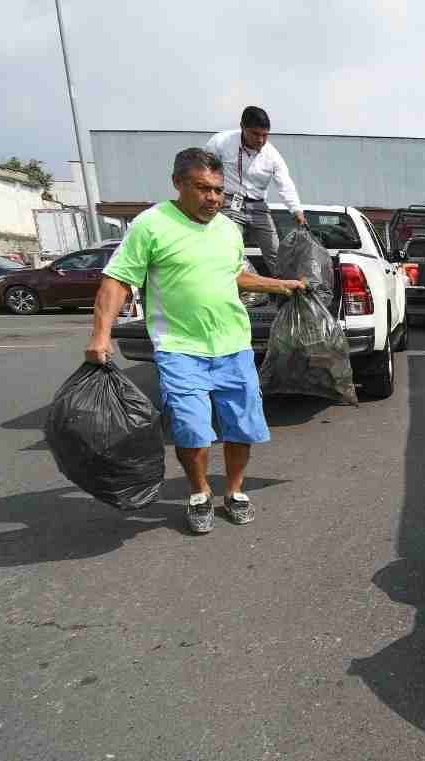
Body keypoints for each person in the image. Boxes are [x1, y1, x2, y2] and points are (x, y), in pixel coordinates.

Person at [85, 148, 306, 534]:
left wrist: (279, 284)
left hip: (234, 345)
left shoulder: (227, 229)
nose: (213, 199)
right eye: (203, 189)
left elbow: (234, 275)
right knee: (192, 430)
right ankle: (199, 491)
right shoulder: (150, 225)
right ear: (178, 184)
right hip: (180, 348)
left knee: (241, 426)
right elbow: (117, 279)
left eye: (219, 191)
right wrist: (100, 335)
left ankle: (234, 491)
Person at [204, 106, 305, 276]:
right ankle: (236, 288)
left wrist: (296, 211)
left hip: (258, 206)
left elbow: (285, 184)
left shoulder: (272, 155)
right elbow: (204, 169)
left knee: (274, 251)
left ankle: (287, 294)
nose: (260, 140)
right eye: (255, 134)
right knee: (231, 246)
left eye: (265, 135)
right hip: (230, 202)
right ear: (242, 127)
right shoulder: (221, 142)